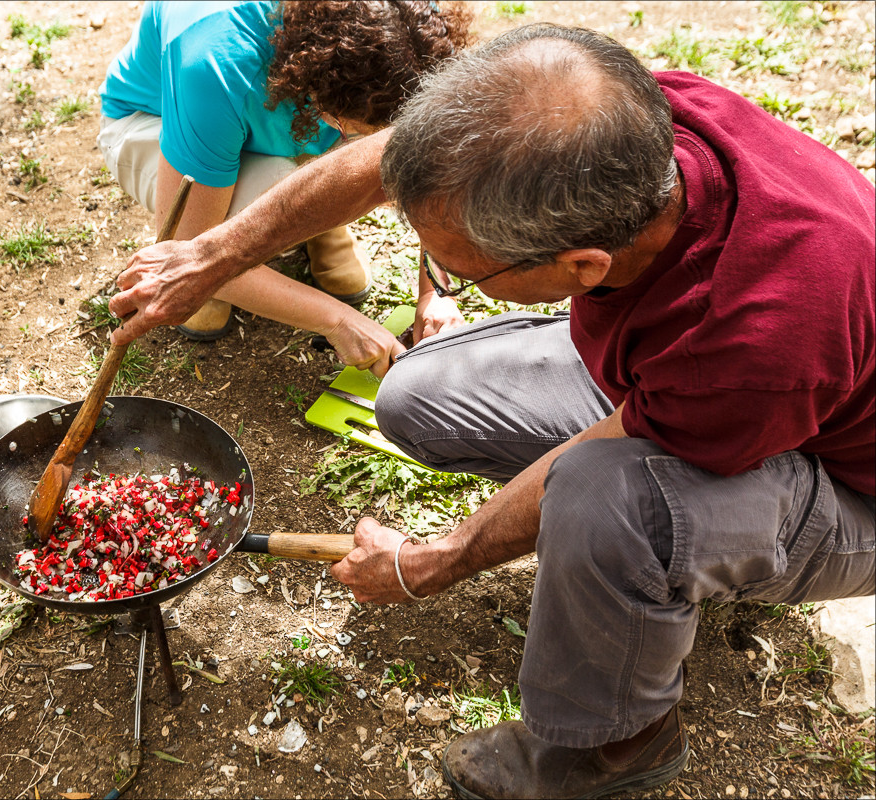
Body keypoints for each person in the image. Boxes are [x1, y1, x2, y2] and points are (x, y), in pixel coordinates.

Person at [109, 22, 876, 800]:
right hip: (711, 392)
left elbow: (601, 453)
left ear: (582, 265)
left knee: (606, 500)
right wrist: (213, 254)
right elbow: (388, 162)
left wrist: (433, 562)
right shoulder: (619, 122)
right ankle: (662, 545)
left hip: (849, 489)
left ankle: (620, 743)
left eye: (459, 270)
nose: (442, 274)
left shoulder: (750, 342)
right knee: (416, 395)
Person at [96, 0, 468, 373]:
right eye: (352, 127)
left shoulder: (405, 27)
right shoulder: (215, 63)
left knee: (374, 156)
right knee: (266, 195)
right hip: (152, 121)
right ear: (321, 91)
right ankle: (236, 268)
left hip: (264, 117)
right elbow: (188, 250)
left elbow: (430, 161)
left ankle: (320, 224)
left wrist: (436, 291)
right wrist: (338, 320)